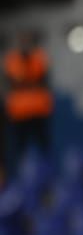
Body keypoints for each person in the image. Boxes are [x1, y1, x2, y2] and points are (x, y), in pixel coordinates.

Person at [3, 32, 52, 166]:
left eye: (27, 41)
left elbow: (45, 81)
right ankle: (22, 174)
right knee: (19, 148)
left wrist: (24, 82)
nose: (25, 44)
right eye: (22, 41)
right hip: (19, 113)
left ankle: (46, 171)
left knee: (43, 145)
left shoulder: (39, 57)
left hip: (38, 110)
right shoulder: (11, 60)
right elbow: (9, 84)